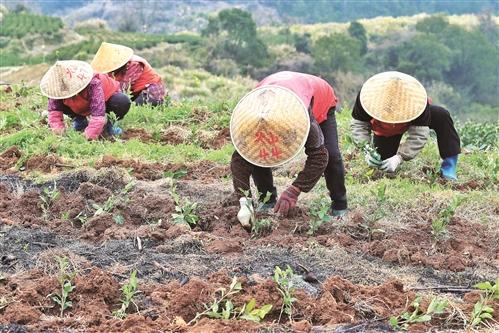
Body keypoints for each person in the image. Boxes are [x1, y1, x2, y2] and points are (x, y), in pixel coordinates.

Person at [229, 71, 348, 217]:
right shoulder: (253, 115)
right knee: (257, 151)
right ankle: (267, 200)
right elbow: (240, 158)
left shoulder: (301, 111)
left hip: (318, 96)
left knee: (332, 154)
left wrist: (294, 190)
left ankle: (340, 205)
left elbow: (320, 156)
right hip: (274, 88)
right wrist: (244, 202)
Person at [351, 71, 461, 180]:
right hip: (385, 130)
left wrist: (400, 157)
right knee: (382, 164)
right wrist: (367, 149)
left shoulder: (418, 103)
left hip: (412, 120)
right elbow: (359, 126)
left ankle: (449, 167)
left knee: (441, 115)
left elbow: (419, 135)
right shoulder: (367, 97)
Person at [40, 60, 130, 140]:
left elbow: (98, 114)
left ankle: (110, 125)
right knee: (62, 105)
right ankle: (80, 120)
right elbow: (54, 111)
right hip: (79, 105)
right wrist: (59, 134)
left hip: (106, 101)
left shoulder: (93, 83)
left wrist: (88, 137)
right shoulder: (56, 88)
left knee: (121, 102)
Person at [91, 42, 166, 106]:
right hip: (136, 93)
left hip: (151, 92)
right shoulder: (112, 70)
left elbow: (121, 90)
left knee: (129, 109)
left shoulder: (133, 65)